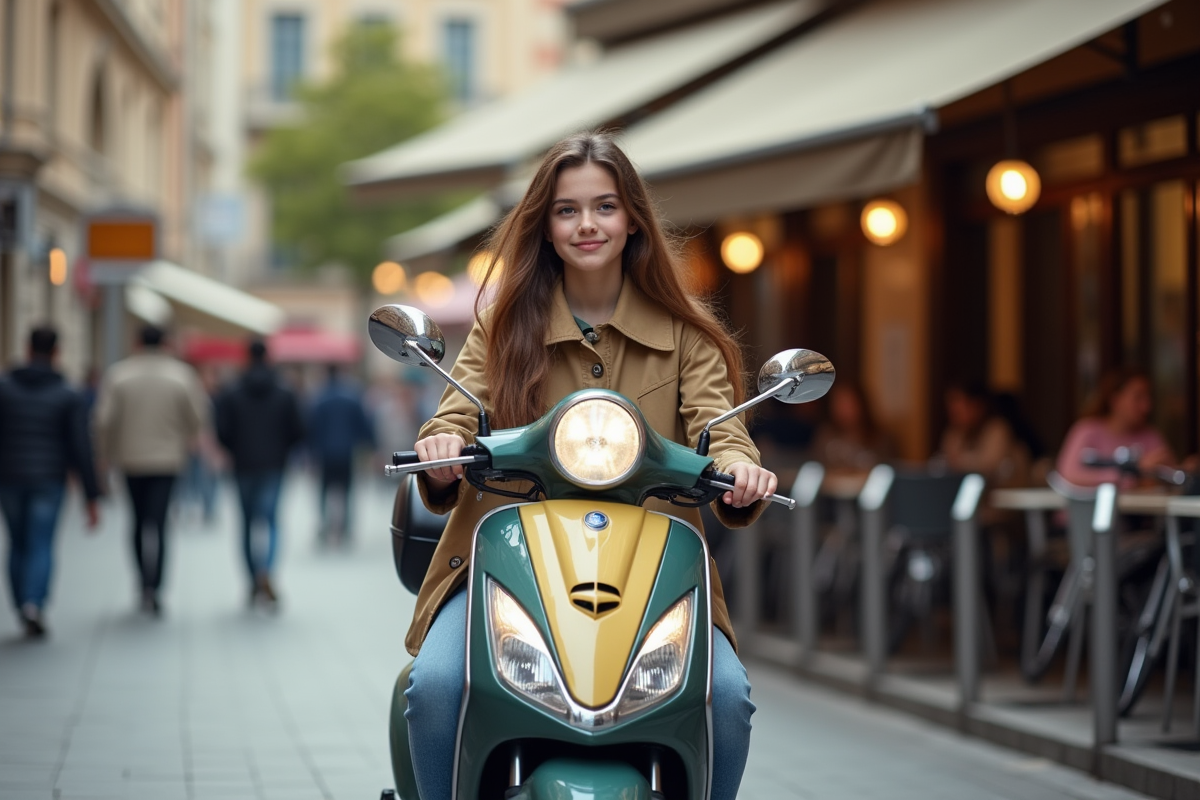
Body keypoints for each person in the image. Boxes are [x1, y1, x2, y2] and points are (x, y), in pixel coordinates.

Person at [404, 132, 777, 800]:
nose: (587, 224)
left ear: (632, 218)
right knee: (435, 688)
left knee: (726, 701)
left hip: (650, 574)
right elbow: (456, 414)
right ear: (545, 227)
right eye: (567, 210)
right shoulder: (503, 327)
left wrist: (740, 467)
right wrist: (439, 450)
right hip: (513, 564)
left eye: (604, 206)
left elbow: (721, 428)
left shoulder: (686, 334)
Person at [96, 325, 209, 616]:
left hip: (130, 459)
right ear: (166, 344)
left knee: (136, 521)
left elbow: (104, 421)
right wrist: (187, 437)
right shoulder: (181, 376)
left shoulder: (119, 375)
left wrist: (104, 456)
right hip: (167, 460)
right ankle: (156, 586)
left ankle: (142, 582)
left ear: (137, 343)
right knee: (159, 524)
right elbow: (197, 417)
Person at [0, 326, 102, 637]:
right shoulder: (68, 393)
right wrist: (91, 495)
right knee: (41, 542)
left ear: (27, 349)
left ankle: (21, 603)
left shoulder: (4, 388)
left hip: (10, 476)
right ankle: (34, 603)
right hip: (49, 479)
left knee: (17, 542)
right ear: (57, 352)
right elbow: (81, 446)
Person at [215, 340, 304, 608]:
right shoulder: (284, 392)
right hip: (274, 465)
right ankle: (267, 570)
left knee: (246, 524)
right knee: (272, 521)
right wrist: (282, 450)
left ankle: (253, 579)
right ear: (268, 357)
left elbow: (222, 431)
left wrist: (235, 449)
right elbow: (298, 430)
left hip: (243, 465)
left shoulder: (231, 392)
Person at [1056, 368, 1175, 488]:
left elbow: (1170, 476)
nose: (1146, 406)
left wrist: (1173, 472)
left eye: (1148, 397)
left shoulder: (1150, 436)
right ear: (1115, 399)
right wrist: (1133, 472)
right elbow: (1069, 475)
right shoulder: (1087, 431)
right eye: (1138, 397)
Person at [308, 364, 375, 544]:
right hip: (347, 451)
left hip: (325, 452)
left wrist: (310, 451)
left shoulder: (319, 398)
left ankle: (325, 524)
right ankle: (345, 527)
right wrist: (370, 446)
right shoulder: (352, 396)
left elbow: (312, 427)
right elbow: (363, 424)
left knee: (324, 490)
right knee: (347, 490)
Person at [936, 381, 1029, 487]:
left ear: (977, 405)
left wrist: (958, 461)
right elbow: (947, 465)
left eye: (958, 411)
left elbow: (989, 466)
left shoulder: (997, 429)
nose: (952, 412)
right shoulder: (953, 434)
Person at [809, 383, 892, 474]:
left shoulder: (882, 439)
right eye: (839, 404)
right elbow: (815, 470)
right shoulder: (825, 437)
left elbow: (889, 471)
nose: (843, 409)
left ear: (861, 403)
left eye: (848, 404)